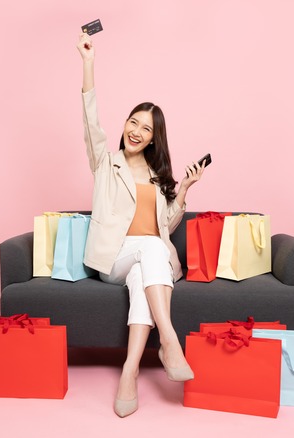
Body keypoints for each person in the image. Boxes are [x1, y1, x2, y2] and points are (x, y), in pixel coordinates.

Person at [76, 32, 205, 418]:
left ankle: (129, 372)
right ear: (126, 124)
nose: (136, 131)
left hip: (143, 264)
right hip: (112, 260)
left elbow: (163, 223)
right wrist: (87, 63)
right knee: (152, 251)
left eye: (146, 129)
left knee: (147, 266)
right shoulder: (105, 162)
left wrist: (182, 190)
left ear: (153, 139)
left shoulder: (156, 175)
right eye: (133, 122)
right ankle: (169, 339)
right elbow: (90, 121)